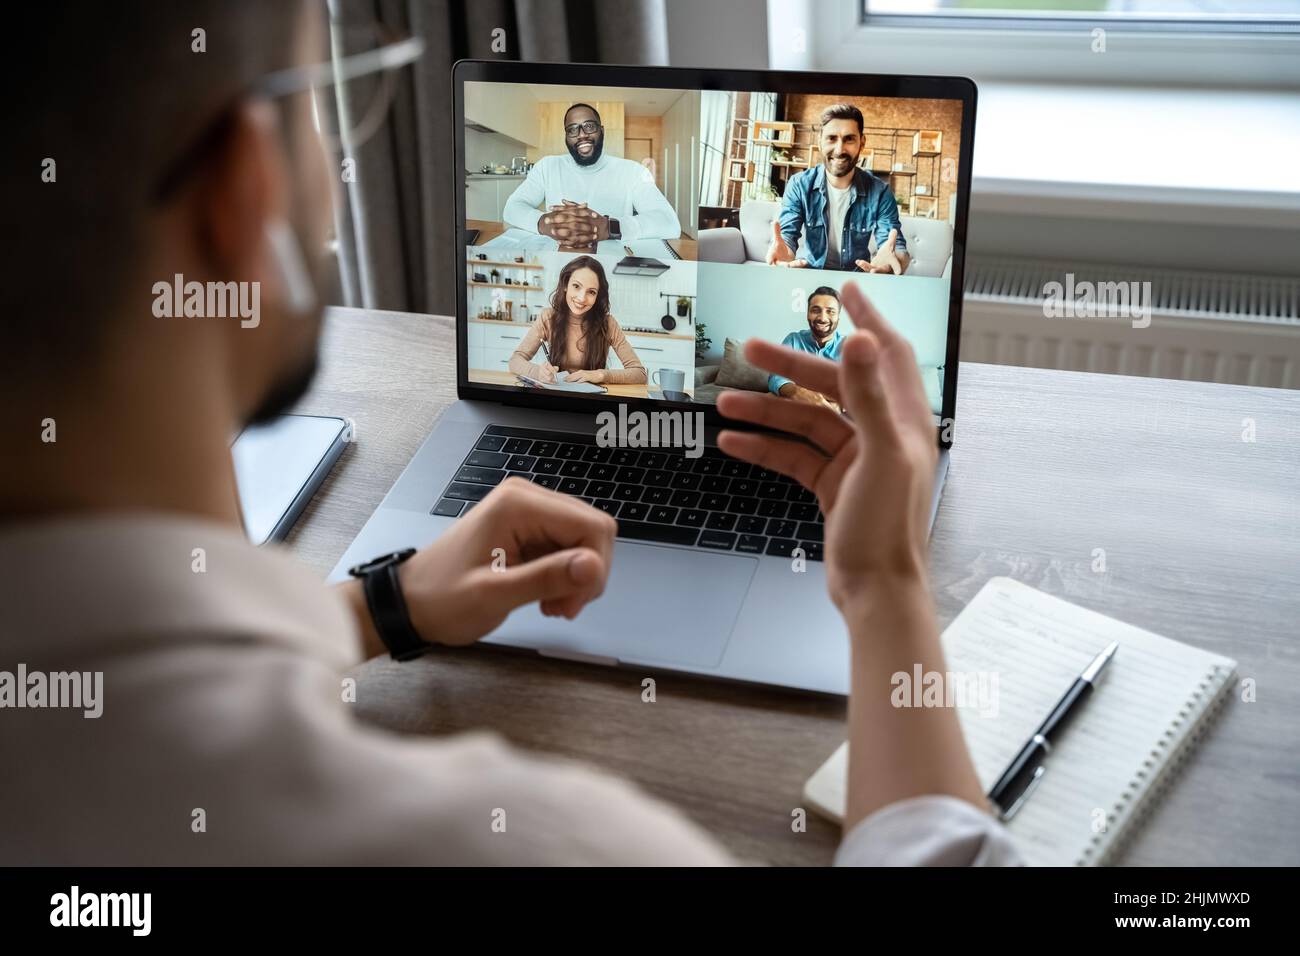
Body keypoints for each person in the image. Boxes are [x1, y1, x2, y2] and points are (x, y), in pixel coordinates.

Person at [2, 0, 1019, 866]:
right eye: (321, 98)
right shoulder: (552, 844)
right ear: (244, 192)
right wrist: (883, 583)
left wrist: (378, 607)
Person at [501, 103, 681, 249]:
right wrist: (545, 222)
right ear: (566, 136)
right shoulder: (547, 166)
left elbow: (669, 223)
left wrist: (607, 227)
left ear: (601, 130)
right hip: (560, 258)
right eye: (572, 129)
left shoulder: (634, 171)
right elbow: (512, 208)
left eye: (589, 126)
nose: (581, 135)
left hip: (611, 264)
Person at [766, 104, 911, 275]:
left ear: (861, 143)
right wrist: (785, 255)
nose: (839, 149)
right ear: (820, 141)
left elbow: (896, 247)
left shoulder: (880, 192)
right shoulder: (799, 185)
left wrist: (892, 261)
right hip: (810, 273)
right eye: (831, 138)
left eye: (849, 139)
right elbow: (787, 236)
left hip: (856, 278)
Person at [508, 256, 646, 386]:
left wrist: (601, 375)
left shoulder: (608, 323)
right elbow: (515, 361)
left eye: (591, 292)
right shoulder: (548, 318)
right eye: (576, 286)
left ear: (598, 296)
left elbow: (639, 374)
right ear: (565, 285)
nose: (581, 298)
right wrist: (538, 372)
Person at [769, 286, 846, 411]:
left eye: (830, 311)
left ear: (838, 316)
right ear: (808, 314)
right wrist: (800, 393)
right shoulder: (793, 340)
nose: (822, 318)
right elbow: (776, 377)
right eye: (816, 310)